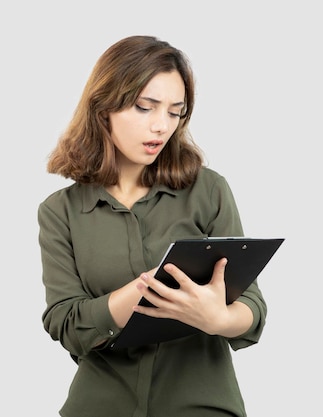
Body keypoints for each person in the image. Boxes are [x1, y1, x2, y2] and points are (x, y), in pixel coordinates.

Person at [37, 35, 266, 417]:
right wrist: (139, 292)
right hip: (98, 407)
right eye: (145, 107)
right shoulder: (59, 211)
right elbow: (66, 323)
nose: (161, 126)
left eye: (175, 112)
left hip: (202, 405)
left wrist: (219, 318)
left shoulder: (208, 190)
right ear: (103, 107)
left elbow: (251, 304)